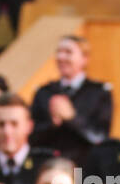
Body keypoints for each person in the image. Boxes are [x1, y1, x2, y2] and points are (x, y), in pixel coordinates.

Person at [29, 34, 113, 166]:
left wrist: (72, 118)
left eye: (68, 52)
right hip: (48, 165)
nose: (61, 57)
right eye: (59, 52)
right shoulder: (44, 92)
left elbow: (100, 137)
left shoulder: (99, 92)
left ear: (84, 59)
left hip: (83, 167)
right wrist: (52, 124)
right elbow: (31, 135)